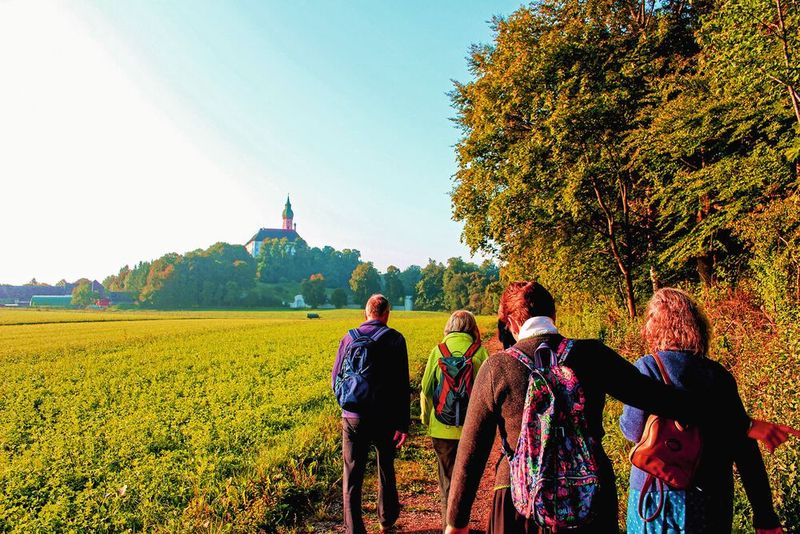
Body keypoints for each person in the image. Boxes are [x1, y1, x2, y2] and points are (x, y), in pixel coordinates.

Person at [444, 281, 795, 534]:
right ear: (553, 314)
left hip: (520, 498)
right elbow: (665, 400)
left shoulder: (497, 367)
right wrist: (744, 425)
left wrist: (456, 521)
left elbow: (472, 450)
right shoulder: (593, 354)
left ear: (510, 322)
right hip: (590, 496)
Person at [620, 288, 790, 533]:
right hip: (712, 496)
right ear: (696, 326)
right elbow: (745, 448)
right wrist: (765, 515)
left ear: (655, 327)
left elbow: (633, 431)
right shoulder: (719, 376)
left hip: (658, 495)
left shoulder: (648, 368)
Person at [331, 294, 410, 534]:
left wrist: (347, 407)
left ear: (366, 313)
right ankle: (386, 519)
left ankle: (354, 529)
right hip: (384, 417)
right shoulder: (395, 339)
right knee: (385, 466)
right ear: (386, 313)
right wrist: (402, 424)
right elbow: (401, 385)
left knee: (352, 474)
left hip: (353, 416)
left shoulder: (348, 338)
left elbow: (335, 378)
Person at [420, 310, 490, 529]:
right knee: (467, 485)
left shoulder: (437, 351)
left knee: (447, 483)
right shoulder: (479, 353)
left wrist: (427, 419)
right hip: (473, 430)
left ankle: (448, 527)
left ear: (449, 326)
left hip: (442, 429)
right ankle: (462, 525)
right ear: (472, 328)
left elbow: (426, 390)